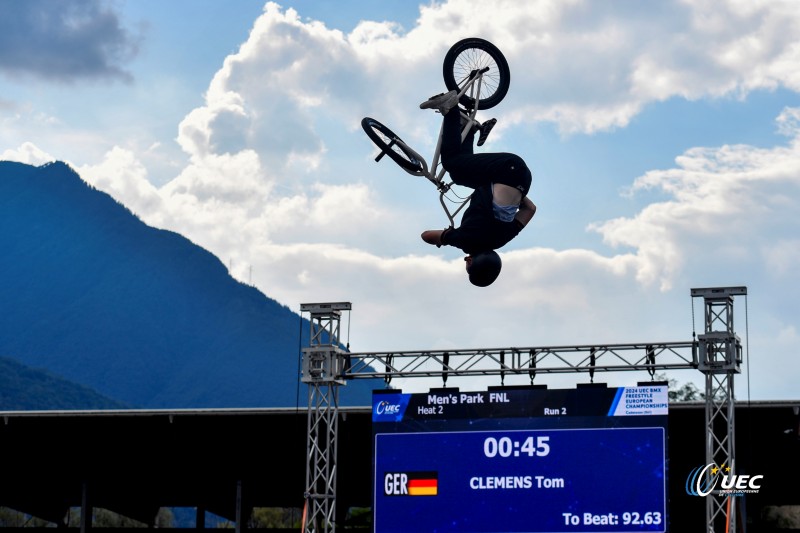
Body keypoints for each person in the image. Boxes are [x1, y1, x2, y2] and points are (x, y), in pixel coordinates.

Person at [418, 90, 537, 287]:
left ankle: (469, 128)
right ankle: (450, 107)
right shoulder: (467, 241)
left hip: (520, 178)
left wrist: (515, 193)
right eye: (467, 267)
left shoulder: (502, 239)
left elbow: (530, 209)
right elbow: (426, 236)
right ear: (471, 262)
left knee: (459, 175)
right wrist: (445, 239)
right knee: (451, 163)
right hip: (506, 170)